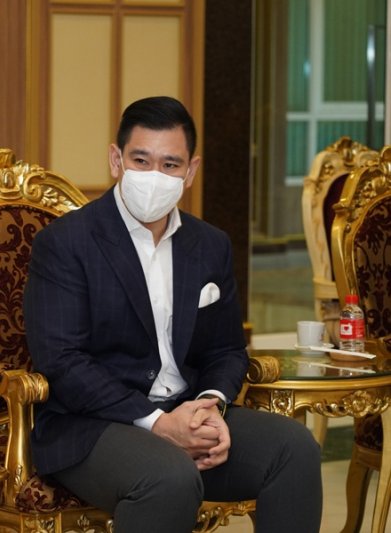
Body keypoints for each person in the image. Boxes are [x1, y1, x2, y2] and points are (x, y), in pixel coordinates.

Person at [23, 96, 323, 532]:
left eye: (170, 165)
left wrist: (210, 406)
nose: (153, 176)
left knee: (294, 447)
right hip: (92, 426)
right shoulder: (66, 242)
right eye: (141, 160)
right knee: (167, 477)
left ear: (190, 171)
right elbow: (62, 362)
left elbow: (227, 349)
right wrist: (158, 423)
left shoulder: (210, 244)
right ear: (116, 160)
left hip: (188, 410)